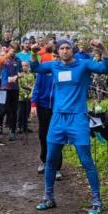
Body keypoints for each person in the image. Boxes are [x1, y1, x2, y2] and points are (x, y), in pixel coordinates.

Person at [31, 39, 108, 214]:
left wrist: (103, 49)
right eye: (62, 48)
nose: (65, 51)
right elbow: (35, 68)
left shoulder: (83, 65)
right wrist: (33, 53)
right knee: (51, 159)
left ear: (73, 50)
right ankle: (48, 197)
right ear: (58, 51)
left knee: (86, 161)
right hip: (58, 118)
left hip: (78, 118)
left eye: (68, 48)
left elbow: (106, 69)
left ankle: (97, 200)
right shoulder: (53, 66)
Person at [30, 42, 60, 178]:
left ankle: (57, 167)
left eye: (57, 56)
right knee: (43, 134)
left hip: (59, 107)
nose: (56, 58)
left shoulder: (65, 71)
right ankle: (44, 161)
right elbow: (37, 87)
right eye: (54, 55)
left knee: (58, 136)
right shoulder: (45, 70)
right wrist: (33, 105)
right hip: (43, 106)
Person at [0, 50, 22, 141]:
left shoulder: (18, 60)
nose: (13, 52)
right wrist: (6, 55)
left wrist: (18, 76)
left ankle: (12, 131)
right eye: (11, 50)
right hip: (3, 88)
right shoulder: (2, 58)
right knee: (1, 109)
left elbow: (21, 72)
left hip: (14, 88)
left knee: (13, 110)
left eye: (14, 50)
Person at [17, 60, 34, 134]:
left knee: (27, 112)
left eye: (26, 65)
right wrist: (24, 94)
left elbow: (33, 85)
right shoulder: (19, 75)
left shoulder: (31, 75)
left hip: (29, 97)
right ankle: (19, 127)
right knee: (20, 112)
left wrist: (30, 95)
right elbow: (19, 86)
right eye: (23, 65)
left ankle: (25, 127)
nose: (24, 67)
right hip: (21, 97)